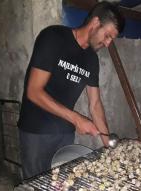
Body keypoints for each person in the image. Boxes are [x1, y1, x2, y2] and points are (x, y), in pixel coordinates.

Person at [17, 1, 125, 179]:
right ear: (95, 23)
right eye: (107, 36)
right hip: (35, 132)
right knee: (35, 190)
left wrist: (108, 145)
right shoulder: (53, 38)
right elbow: (34, 92)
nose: (107, 44)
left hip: (65, 134)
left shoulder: (91, 60)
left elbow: (95, 105)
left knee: (61, 188)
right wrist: (77, 119)